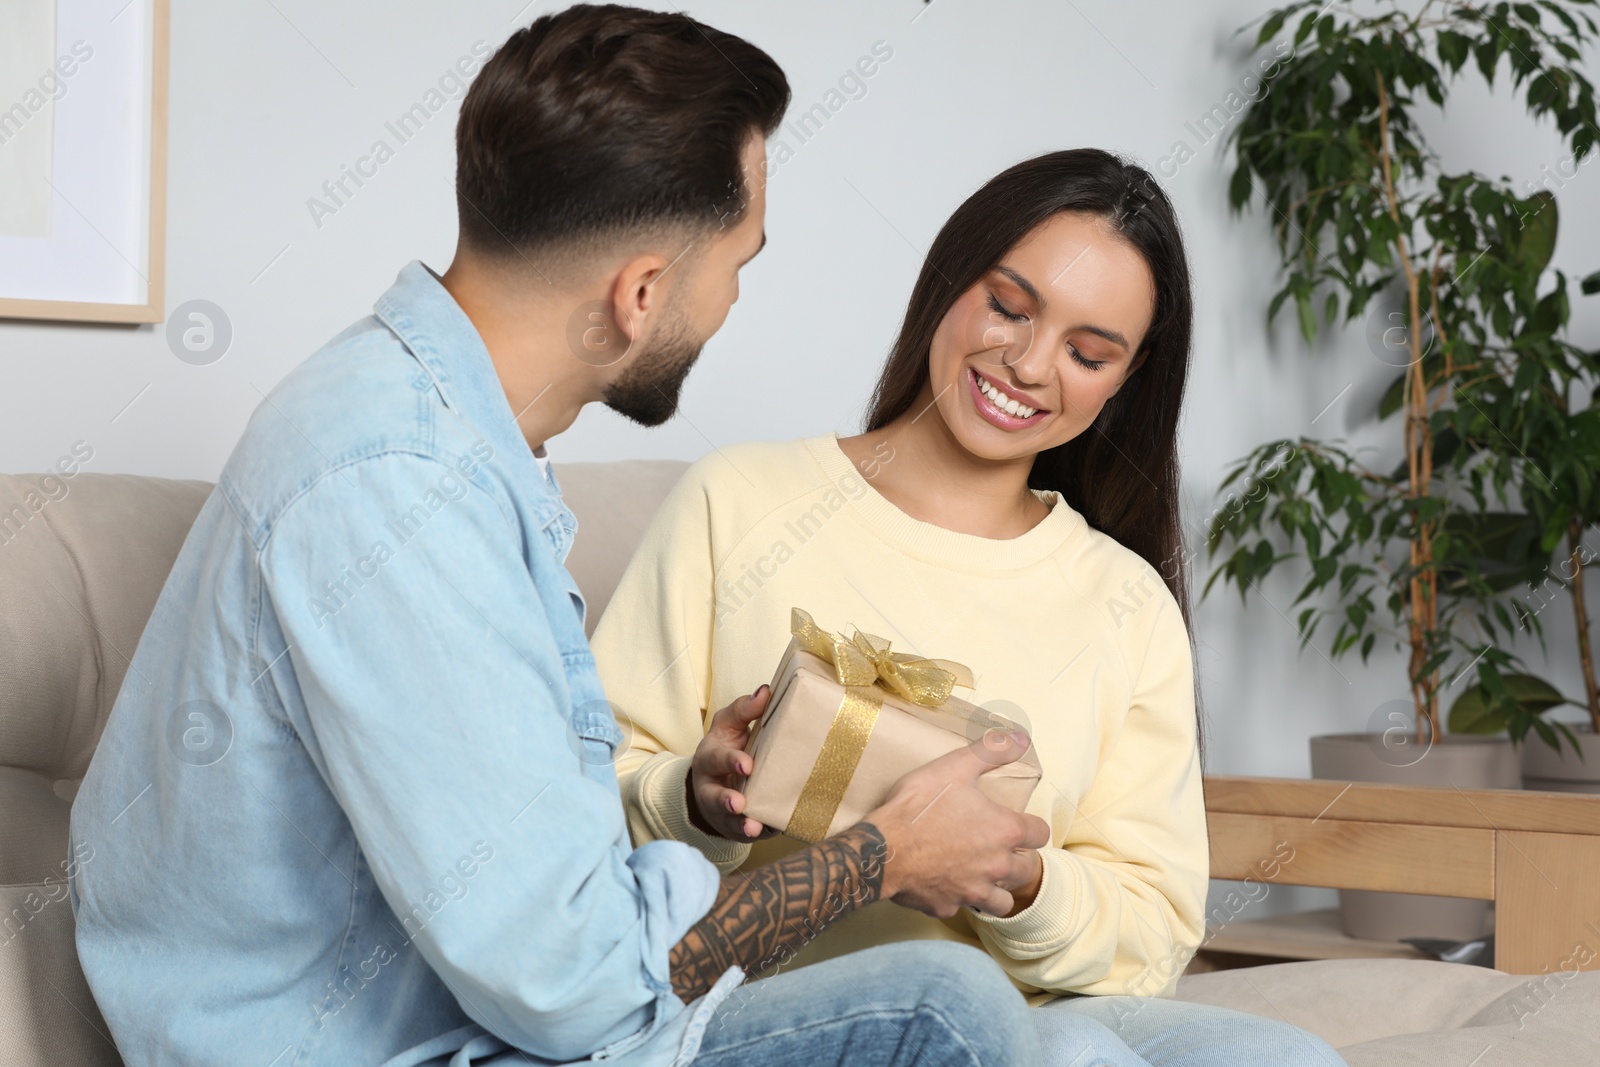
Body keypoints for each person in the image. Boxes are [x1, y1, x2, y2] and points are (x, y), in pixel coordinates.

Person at [61, 6, 1108, 1065]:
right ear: (642, 292)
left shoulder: (452, 441)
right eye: (737, 263)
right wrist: (876, 857)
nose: (735, 297)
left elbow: (541, 878)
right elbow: (579, 988)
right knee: (942, 1000)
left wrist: (701, 796)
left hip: (497, 1018)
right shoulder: (398, 484)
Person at [592, 149, 1349, 1066]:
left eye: (1087, 351)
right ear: (951, 278)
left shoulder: (1125, 599)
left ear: (1126, 379)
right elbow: (584, 802)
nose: (1027, 364)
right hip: (782, 1012)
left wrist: (1019, 878)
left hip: (1035, 1013)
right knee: (1066, 1054)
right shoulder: (738, 501)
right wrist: (697, 798)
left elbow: (1151, 928)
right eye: (1008, 306)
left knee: (1283, 1059)